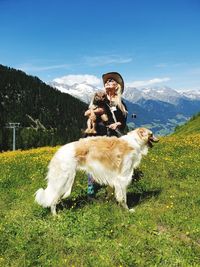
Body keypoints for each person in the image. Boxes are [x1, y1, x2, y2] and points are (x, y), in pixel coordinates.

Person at [84, 72, 128, 197]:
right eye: (107, 81)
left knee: (110, 161)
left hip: (112, 136)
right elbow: (88, 112)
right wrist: (94, 111)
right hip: (97, 134)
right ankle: (91, 186)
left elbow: (124, 120)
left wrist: (118, 124)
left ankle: (110, 185)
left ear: (117, 86)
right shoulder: (100, 98)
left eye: (111, 81)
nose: (108, 82)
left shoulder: (120, 103)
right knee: (93, 160)